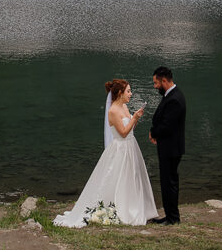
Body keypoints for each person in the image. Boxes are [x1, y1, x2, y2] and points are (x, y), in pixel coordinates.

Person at [53, 79, 157, 227]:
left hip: (131, 147)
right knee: (118, 177)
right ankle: (119, 208)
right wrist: (134, 117)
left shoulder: (124, 107)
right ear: (120, 93)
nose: (130, 93)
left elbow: (130, 130)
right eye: (128, 91)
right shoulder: (113, 110)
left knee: (132, 177)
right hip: (120, 148)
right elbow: (122, 133)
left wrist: (135, 118)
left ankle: (133, 207)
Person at [148, 65, 186, 225]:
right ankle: (169, 216)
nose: (155, 86)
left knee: (169, 183)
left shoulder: (175, 99)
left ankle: (173, 218)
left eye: (156, 83)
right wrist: (154, 131)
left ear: (164, 80)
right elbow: (161, 119)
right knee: (167, 182)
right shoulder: (170, 95)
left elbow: (167, 125)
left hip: (171, 148)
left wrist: (154, 132)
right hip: (168, 146)